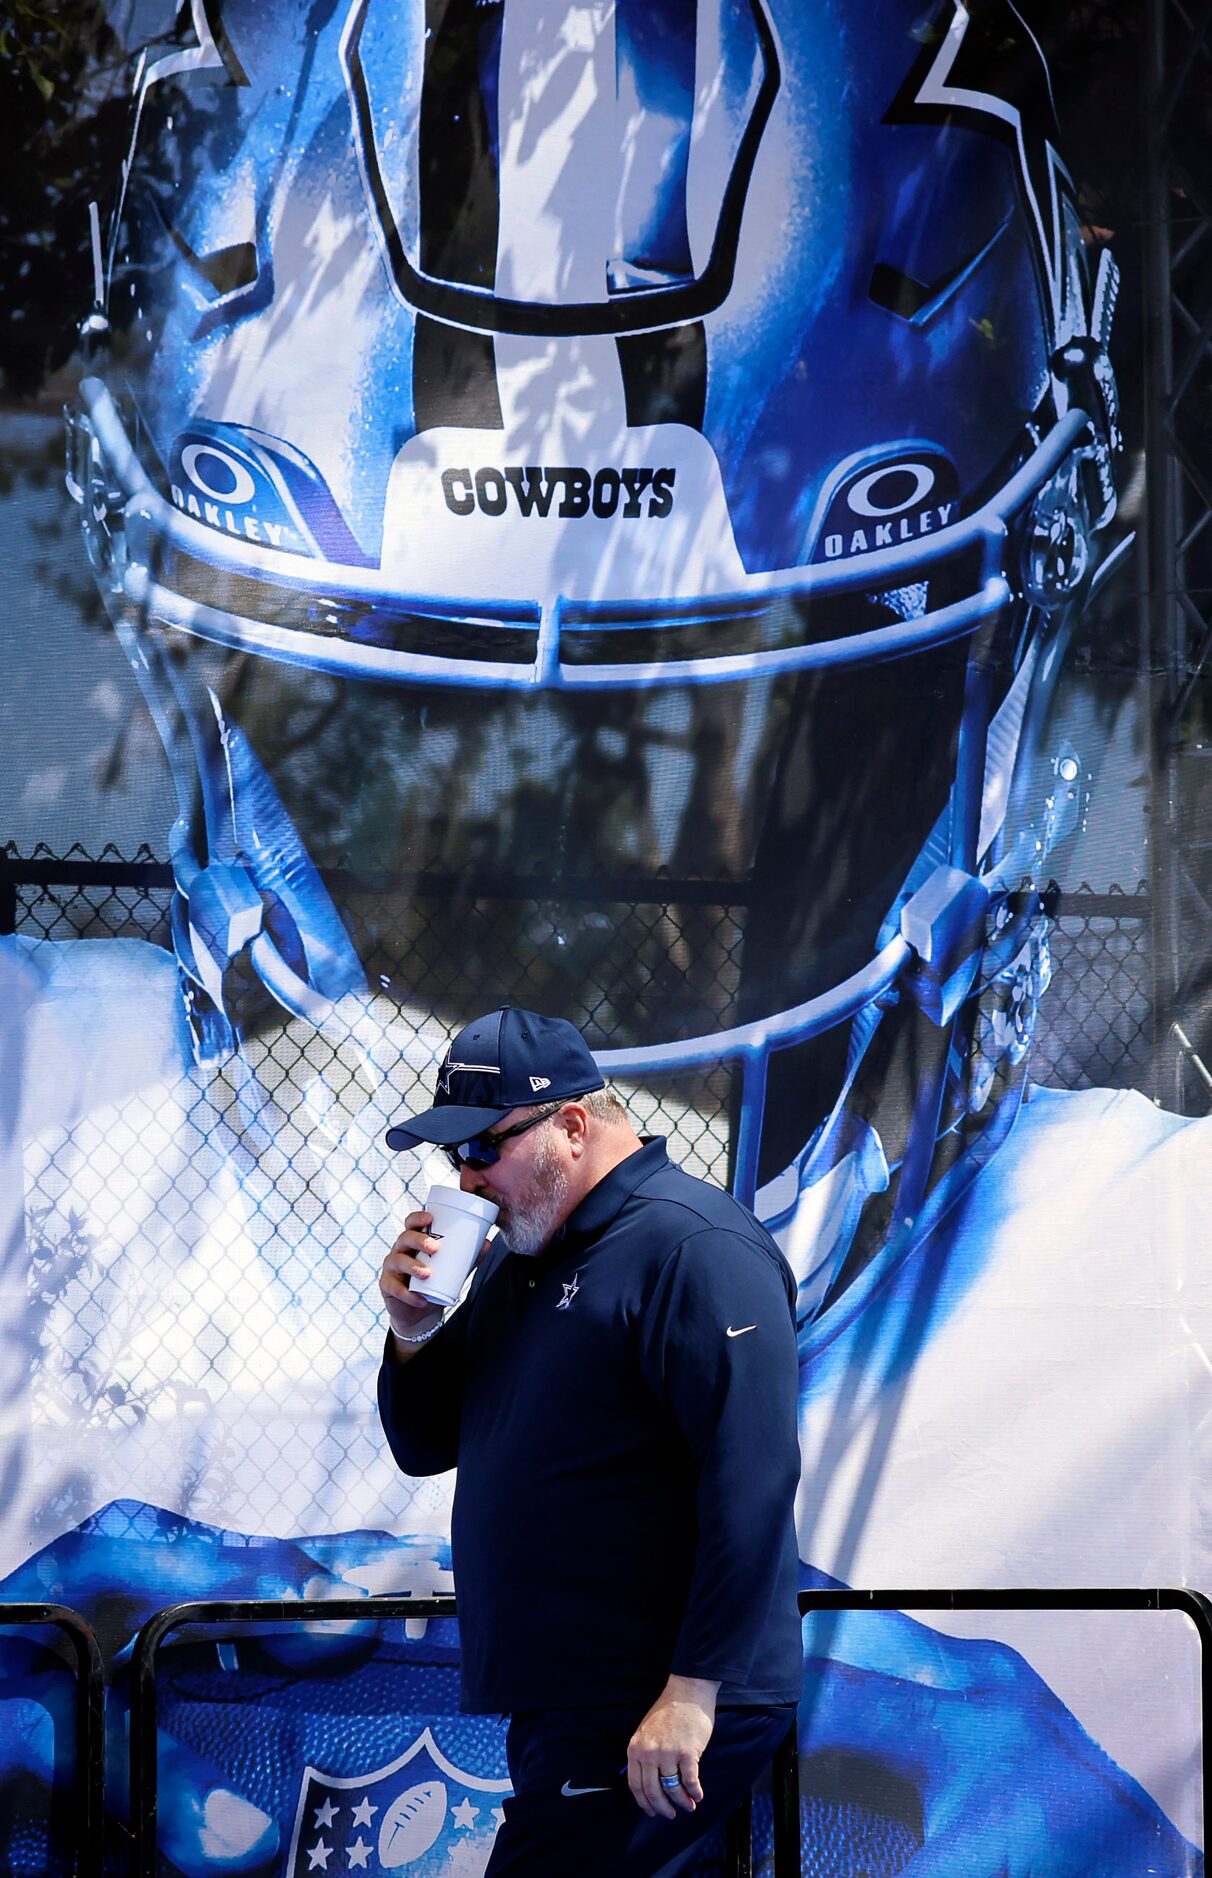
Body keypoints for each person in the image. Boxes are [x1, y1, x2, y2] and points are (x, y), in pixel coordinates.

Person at [376, 1005, 802, 1876]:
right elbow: (424, 1441)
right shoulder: (525, 1256)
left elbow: (752, 1479)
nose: (464, 1177)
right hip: (576, 1699)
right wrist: (410, 1328)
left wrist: (691, 1692)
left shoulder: (693, 1246)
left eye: (483, 1149)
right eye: (451, 1155)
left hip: (656, 1694)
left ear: (571, 1126)